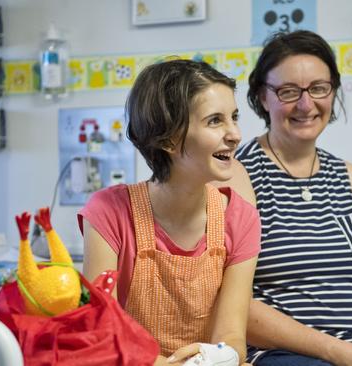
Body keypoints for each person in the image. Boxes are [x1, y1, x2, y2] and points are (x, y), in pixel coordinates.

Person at [230, 30, 352, 366]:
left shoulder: (350, 177)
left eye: (318, 88)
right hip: (285, 356)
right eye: (288, 91)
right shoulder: (238, 175)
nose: (306, 104)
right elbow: (234, 305)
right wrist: (341, 354)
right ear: (262, 96)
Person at [80, 59, 261, 365]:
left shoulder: (241, 219)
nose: (235, 134)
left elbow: (231, 338)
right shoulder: (108, 212)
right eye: (215, 121)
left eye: (234, 117)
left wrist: (222, 356)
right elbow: (102, 333)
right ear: (168, 138)